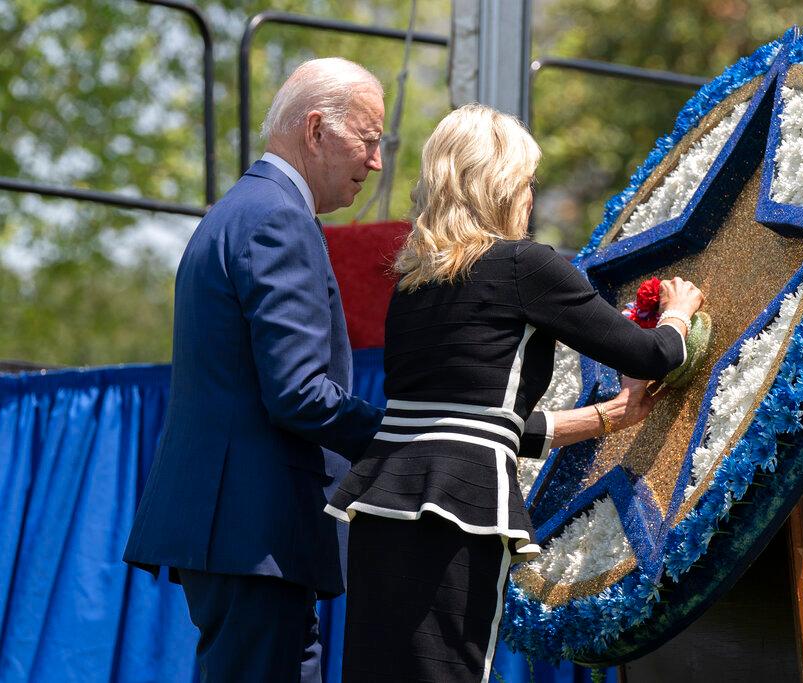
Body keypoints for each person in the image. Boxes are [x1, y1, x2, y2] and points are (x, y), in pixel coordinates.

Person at [326, 103, 705, 683]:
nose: (531, 196)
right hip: (461, 506)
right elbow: (653, 355)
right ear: (502, 186)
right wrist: (678, 313)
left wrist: (601, 418)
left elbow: (462, 420)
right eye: (528, 182)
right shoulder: (525, 267)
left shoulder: (413, 282)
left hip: (386, 500)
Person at [123, 58, 386, 682]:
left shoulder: (242, 209)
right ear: (318, 129)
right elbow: (298, 393)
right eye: (369, 140)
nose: (375, 162)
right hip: (255, 535)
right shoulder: (277, 218)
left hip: (244, 533)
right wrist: (410, 437)